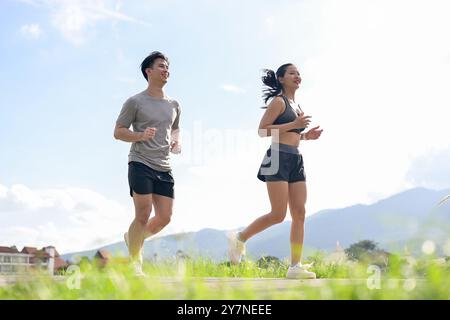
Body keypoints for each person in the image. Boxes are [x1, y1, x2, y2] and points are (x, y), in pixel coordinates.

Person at [227, 63, 323, 279]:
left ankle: (294, 266)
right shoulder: (278, 102)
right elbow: (262, 131)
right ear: (281, 79)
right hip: (277, 157)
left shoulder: (296, 105)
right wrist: (295, 124)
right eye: (292, 73)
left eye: (298, 73)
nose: (297, 76)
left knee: (300, 213)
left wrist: (307, 136)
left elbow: (293, 135)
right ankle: (239, 239)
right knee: (278, 214)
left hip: (295, 158)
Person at [114, 51, 181, 276]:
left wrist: (175, 141)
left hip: (164, 165)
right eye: (161, 66)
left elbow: (175, 128)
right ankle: (136, 263)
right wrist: (140, 136)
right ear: (148, 71)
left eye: (167, 66)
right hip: (140, 162)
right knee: (143, 213)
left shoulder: (174, 104)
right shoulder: (135, 101)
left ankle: (132, 237)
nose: (166, 70)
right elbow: (118, 132)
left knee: (164, 218)